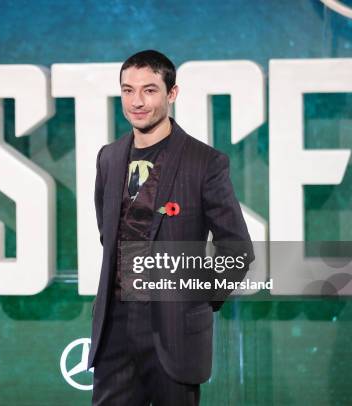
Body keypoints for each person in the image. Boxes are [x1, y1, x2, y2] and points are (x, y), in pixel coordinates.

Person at [88, 50, 255, 405]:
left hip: (175, 331)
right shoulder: (109, 157)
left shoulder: (205, 162)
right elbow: (108, 233)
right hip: (114, 328)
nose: (137, 102)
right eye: (128, 90)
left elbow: (237, 250)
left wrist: (192, 298)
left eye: (149, 90)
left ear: (172, 93)